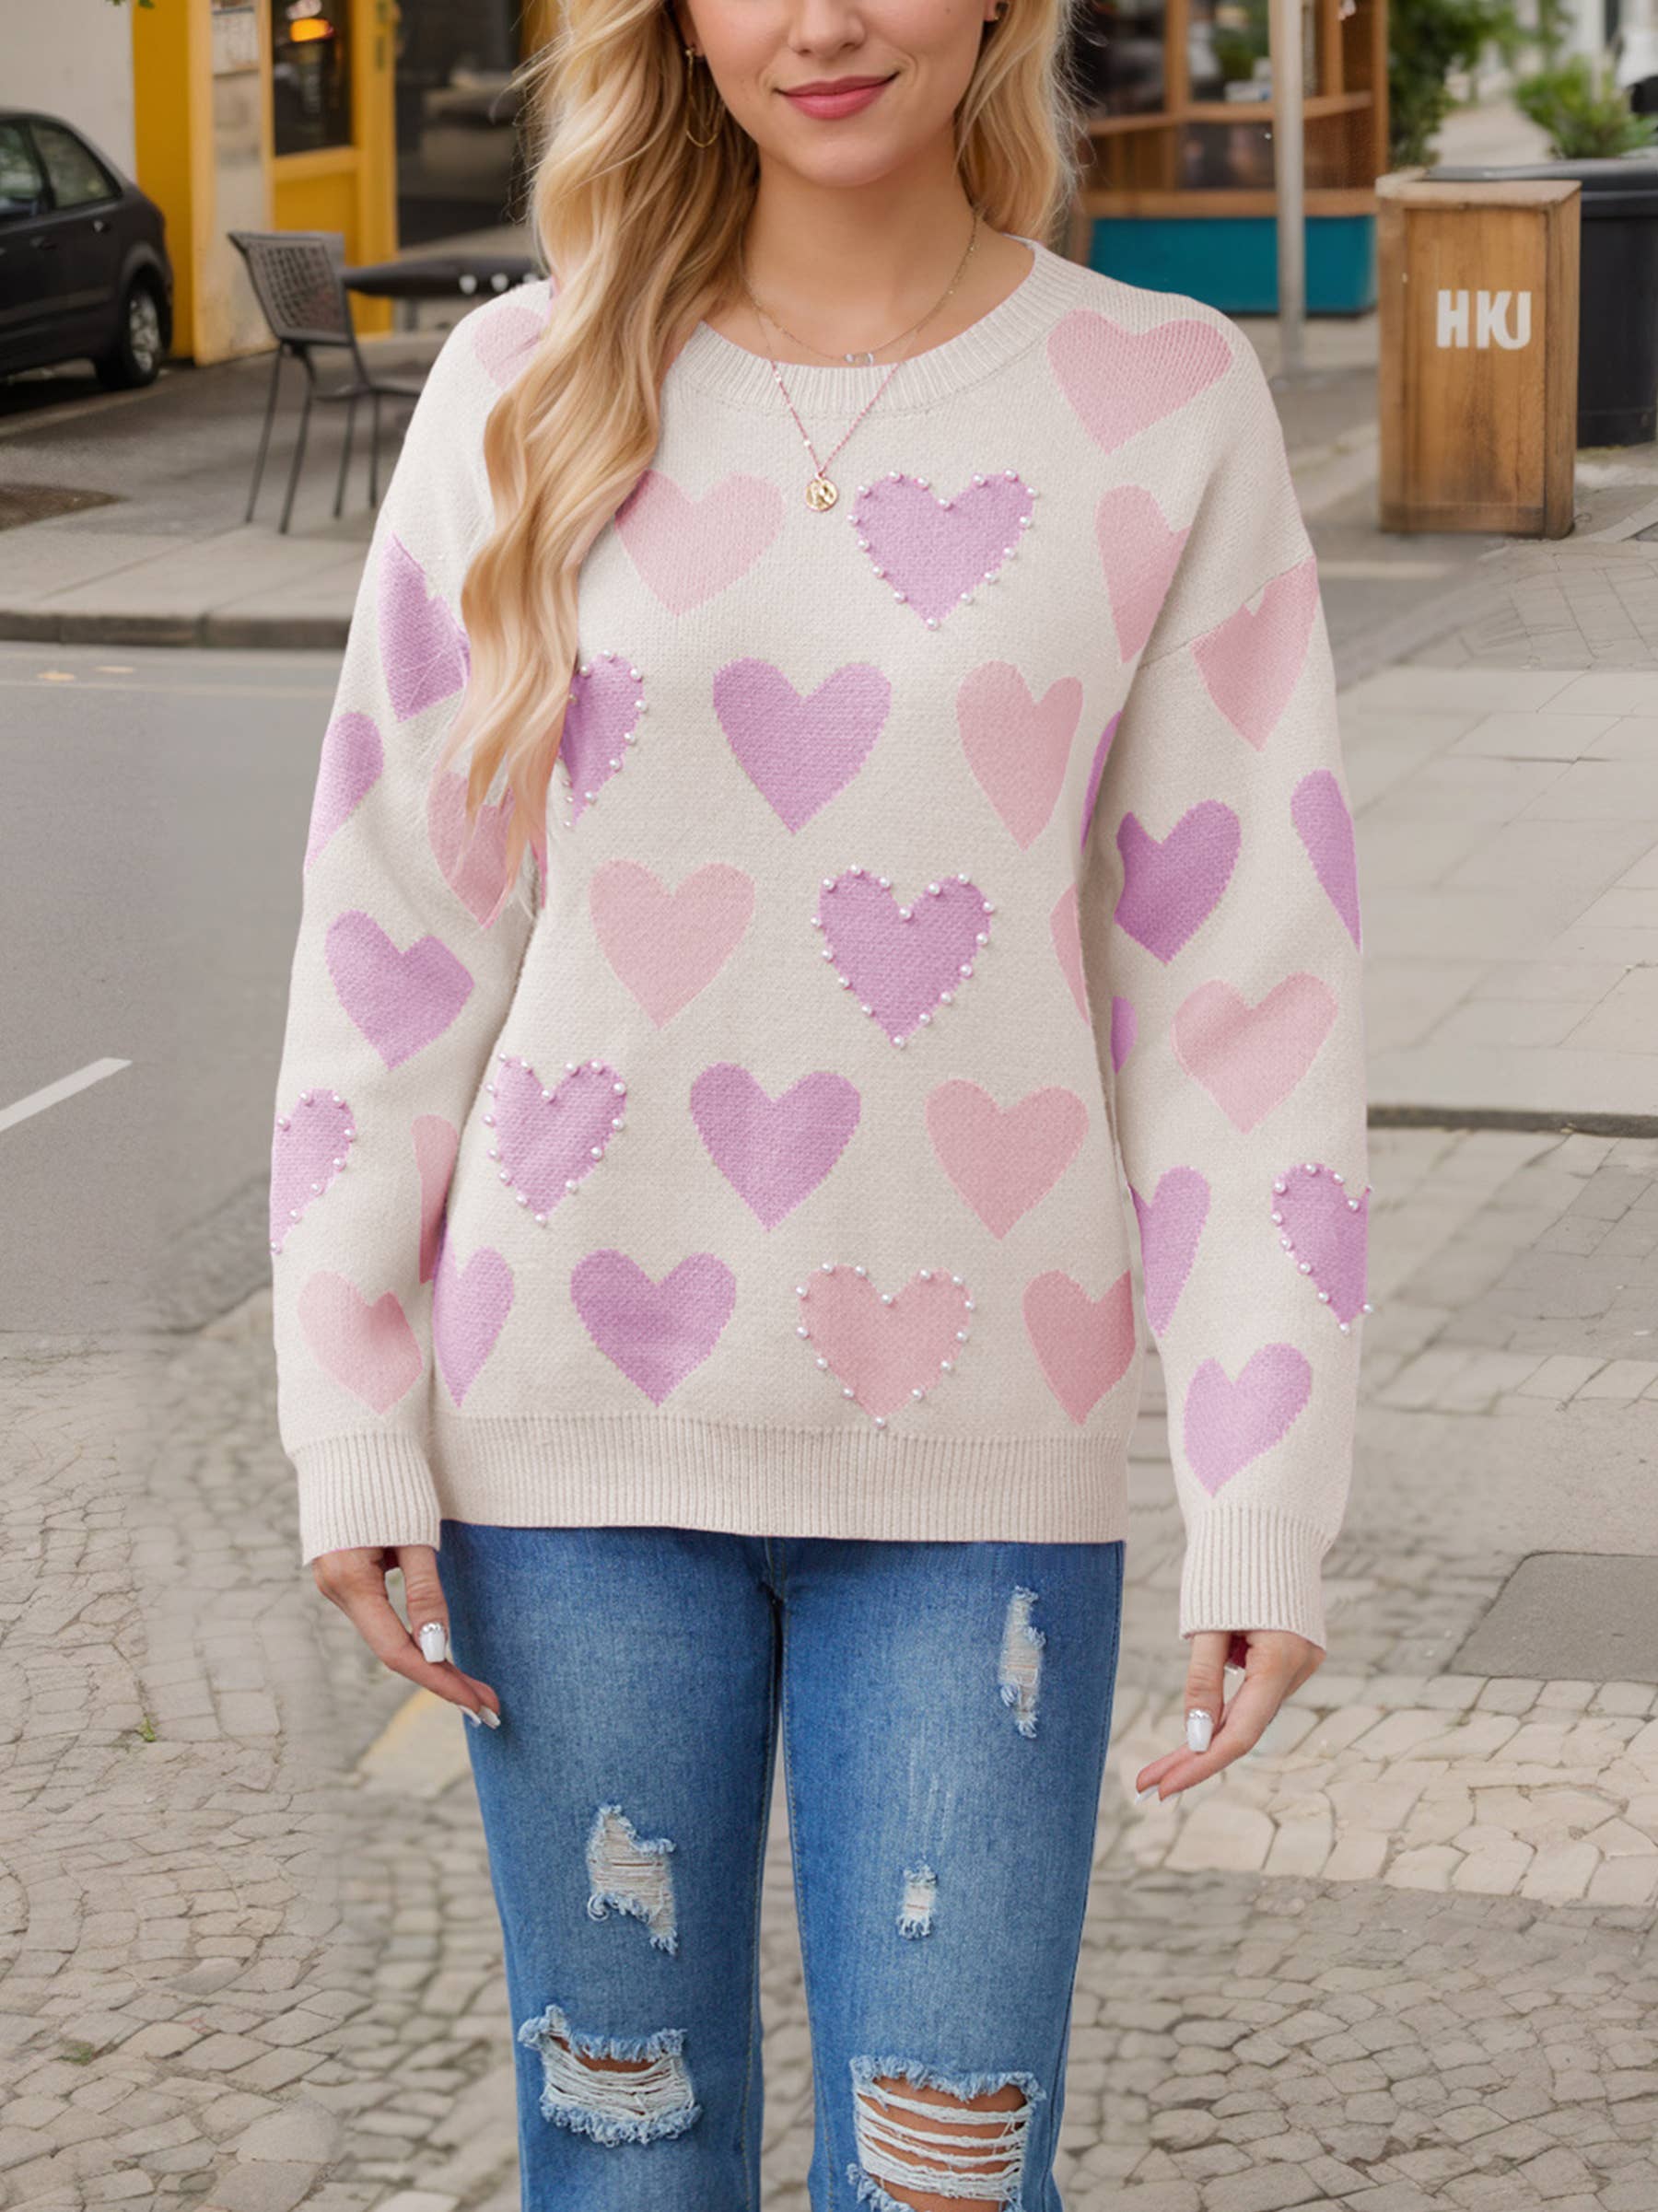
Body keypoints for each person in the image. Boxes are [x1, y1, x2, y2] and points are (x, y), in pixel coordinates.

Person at [266, 0, 1369, 2200]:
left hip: (981, 1479)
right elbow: (394, 937)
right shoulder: (517, 390)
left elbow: (1245, 1003)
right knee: (624, 2157)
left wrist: (1264, 1490)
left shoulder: (1164, 400)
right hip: (564, 1454)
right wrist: (350, 1408)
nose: (829, 22)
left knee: (947, 2172)